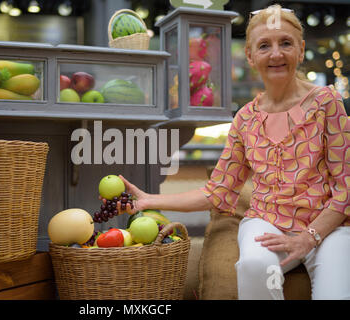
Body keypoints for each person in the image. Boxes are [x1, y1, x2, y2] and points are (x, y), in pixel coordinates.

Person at [113, 5, 350, 300]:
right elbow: (218, 192)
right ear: (250, 56)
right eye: (265, 45)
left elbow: (345, 187)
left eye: (285, 43)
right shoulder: (245, 119)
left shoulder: (328, 102)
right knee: (252, 265)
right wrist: (149, 200)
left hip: (325, 227)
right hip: (266, 221)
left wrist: (309, 237)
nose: (276, 54)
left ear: (300, 50)